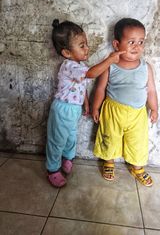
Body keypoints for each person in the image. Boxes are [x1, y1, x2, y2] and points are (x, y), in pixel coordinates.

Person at [46, 19, 125, 187]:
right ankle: (52, 169)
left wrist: (86, 103)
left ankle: (67, 158)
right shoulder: (70, 66)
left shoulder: (80, 65)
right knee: (57, 140)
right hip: (63, 109)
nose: (87, 48)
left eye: (86, 44)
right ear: (67, 52)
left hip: (73, 109)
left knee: (71, 137)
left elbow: (81, 86)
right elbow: (90, 74)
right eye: (82, 45)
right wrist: (110, 60)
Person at [92, 18, 158, 187]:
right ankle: (108, 162)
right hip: (113, 111)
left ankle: (137, 168)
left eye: (141, 42)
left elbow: (151, 90)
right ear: (116, 44)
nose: (137, 46)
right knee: (110, 137)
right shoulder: (110, 66)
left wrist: (154, 108)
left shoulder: (146, 68)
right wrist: (95, 107)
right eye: (131, 42)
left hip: (137, 114)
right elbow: (100, 88)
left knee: (138, 141)